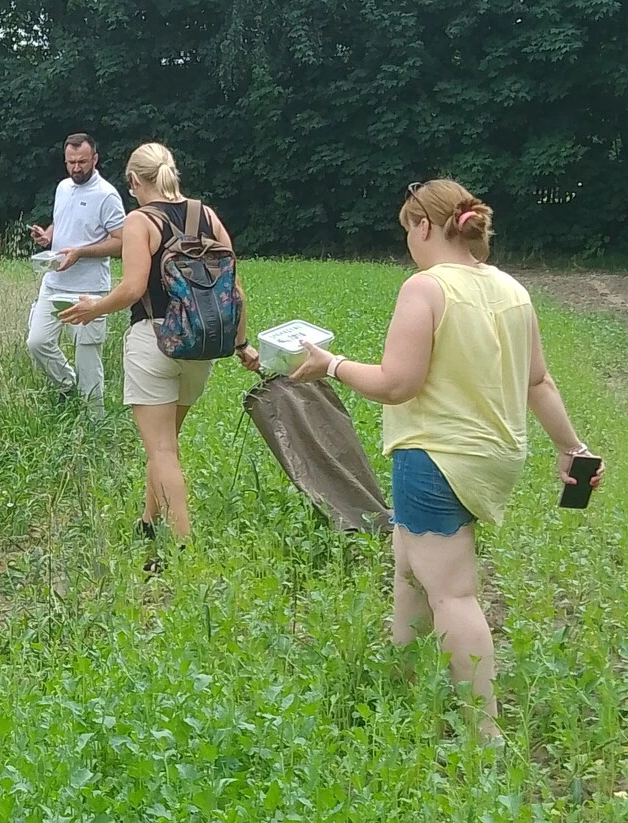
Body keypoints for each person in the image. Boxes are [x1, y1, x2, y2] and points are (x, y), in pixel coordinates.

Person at [287, 178, 598, 739]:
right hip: (495, 455)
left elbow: (396, 384)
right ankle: (398, 681)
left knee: (453, 593)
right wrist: (570, 447)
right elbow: (540, 380)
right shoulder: (511, 289)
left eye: (408, 228)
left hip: (436, 458)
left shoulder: (425, 289)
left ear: (423, 226)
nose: (408, 240)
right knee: (410, 565)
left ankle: (486, 735)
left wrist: (330, 364)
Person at [60, 142, 254, 545]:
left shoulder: (140, 221)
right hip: (202, 345)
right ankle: (147, 522)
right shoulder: (208, 216)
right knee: (165, 444)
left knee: (162, 451)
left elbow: (132, 289)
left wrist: (93, 309)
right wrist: (241, 345)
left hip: (154, 342)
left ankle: (183, 545)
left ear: (133, 181)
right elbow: (234, 288)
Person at [28, 135, 125, 408]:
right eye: (71, 162)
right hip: (55, 282)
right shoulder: (63, 188)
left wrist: (81, 252)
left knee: (88, 356)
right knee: (37, 342)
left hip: (89, 288)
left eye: (82, 162)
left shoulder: (107, 195)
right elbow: (62, 222)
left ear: (95, 159)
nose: (76, 168)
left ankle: (95, 420)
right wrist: (47, 236)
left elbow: (121, 242)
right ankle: (67, 385)